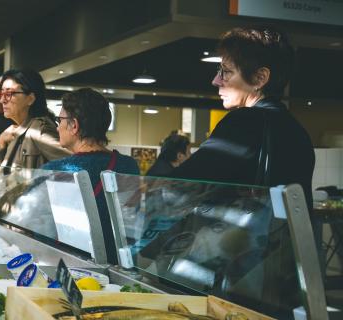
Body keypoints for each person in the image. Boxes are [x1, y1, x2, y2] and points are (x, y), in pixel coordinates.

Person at [172, 26, 314, 205]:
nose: (216, 80)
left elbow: (183, 181)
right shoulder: (297, 131)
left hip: (247, 232)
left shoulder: (244, 122)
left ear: (259, 78)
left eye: (226, 71)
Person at [42, 88, 139, 264]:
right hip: (120, 265)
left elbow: (44, 229)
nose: (58, 126)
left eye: (60, 120)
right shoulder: (128, 165)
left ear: (74, 125)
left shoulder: (55, 171)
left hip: (74, 266)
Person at [0, 69, 70, 168]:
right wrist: (1, 143)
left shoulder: (38, 130)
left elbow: (74, 164)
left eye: (9, 94)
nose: (2, 100)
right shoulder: (16, 130)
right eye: (1, 94)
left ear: (30, 98)